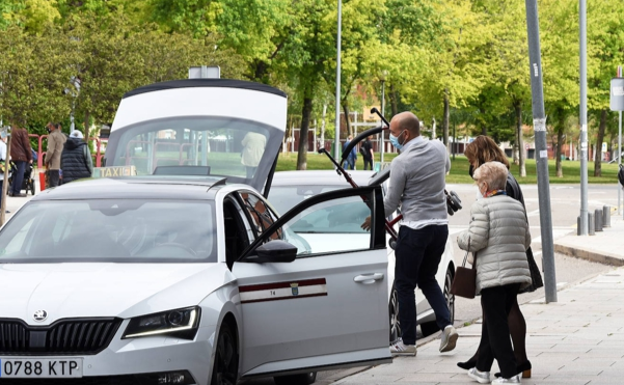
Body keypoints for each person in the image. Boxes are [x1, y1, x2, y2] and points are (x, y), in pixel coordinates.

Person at [362, 111, 458, 356]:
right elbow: (445, 168)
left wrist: (374, 216)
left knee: (404, 284)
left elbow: (391, 203)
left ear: (405, 134)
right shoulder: (439, 148)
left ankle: (407, 342)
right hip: (439, 227)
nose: (391, 139)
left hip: (415, 229)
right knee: (427, 278)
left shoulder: (401, 163)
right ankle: (446, 325)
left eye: (393, 134)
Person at [458, 135, 542, 379]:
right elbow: (525, 237)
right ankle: (482, 366)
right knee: (497, 317)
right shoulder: (511, 193)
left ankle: (510, 370)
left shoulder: (484, 204)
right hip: (515, 265)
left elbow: (477, 239)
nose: (471, 166)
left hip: (495, 268)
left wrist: (461, 239)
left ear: (484, 184)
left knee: (497, 321)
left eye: (473, 161)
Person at [8, 126, 33, 197]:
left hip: (12, 155)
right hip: (21, 155)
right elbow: (26, 145)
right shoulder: (22, 130)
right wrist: (30, 157)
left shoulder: (11, 129)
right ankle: (16, 191)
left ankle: (12, 190)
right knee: (20, 174)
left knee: (14, 173)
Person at [45, 122, 66, 187]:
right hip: (63, 164)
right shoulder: (63, 136)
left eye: (49, 126)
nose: (49, 128)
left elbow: (50, 151)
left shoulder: (52, 135)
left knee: (53, 187)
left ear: (52, 126)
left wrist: (46, 160)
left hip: (54, 165)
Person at [0, 131, 9, 213]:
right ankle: (1, 207)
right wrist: (9, 157)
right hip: (1, 171)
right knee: (1, 189)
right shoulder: (2, 145)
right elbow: (3, 157)